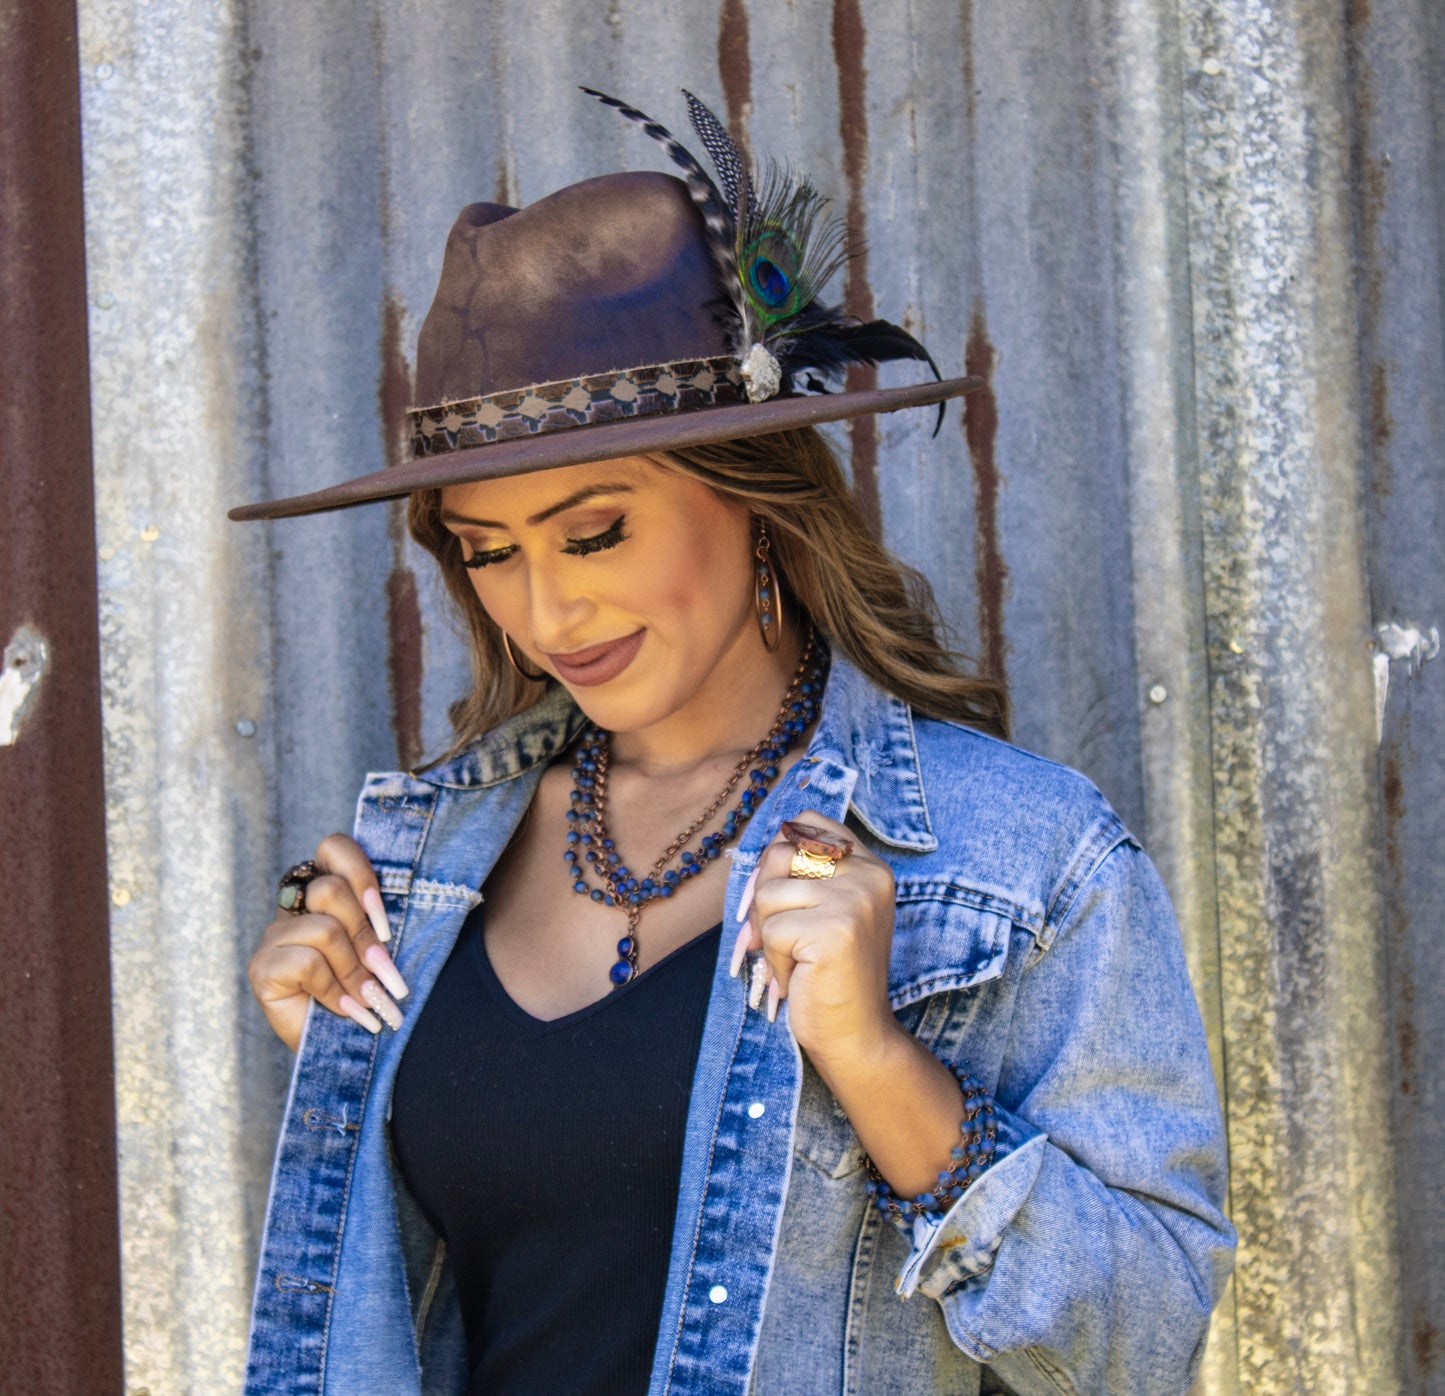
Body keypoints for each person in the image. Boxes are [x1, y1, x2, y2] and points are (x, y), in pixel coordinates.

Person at [234, 88, 1234, 1395]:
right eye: (489, 554)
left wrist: (878, 1065)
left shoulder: (1015, 858)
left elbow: (1141, 1342)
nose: (548, 608)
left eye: (594, 534)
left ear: (752, 495)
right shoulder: (415, 869)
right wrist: (339, 1061)